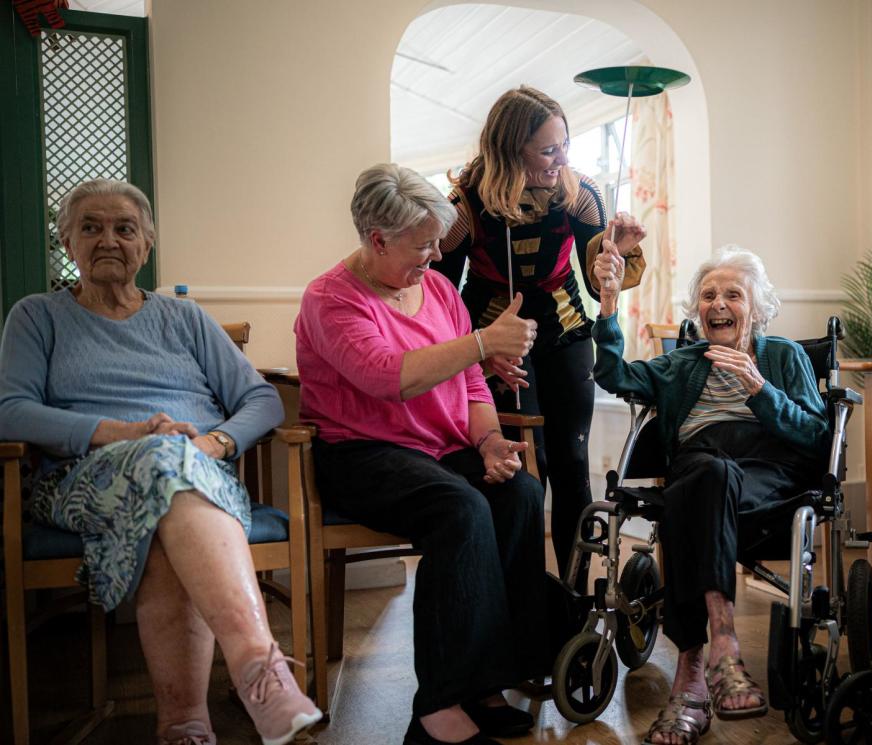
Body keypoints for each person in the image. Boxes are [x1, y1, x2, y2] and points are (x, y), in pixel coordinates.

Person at [0, 178, 321, 745]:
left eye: (124, 228)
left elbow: (262, 399)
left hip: (195, 477)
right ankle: (259, 667)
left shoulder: (185, 319)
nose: (108, 240)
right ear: (66, 241)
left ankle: (185, 728)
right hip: (83, 481)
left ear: (146, 243)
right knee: (161, 461)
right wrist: (122, 432)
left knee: (169, 479)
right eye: (91, 228)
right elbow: (10, 410)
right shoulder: (37, 316)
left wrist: (213, 445)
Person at [294, 163, 547, 745]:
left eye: (438, 241)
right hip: (360, 455)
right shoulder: (330, 299)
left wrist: (488, 443)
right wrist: (482, 343)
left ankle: (489, 680)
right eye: (424, 244)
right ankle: (438, 708)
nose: (436, 256)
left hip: (440, 450)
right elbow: (388, 378)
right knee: (458, 509)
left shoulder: (435, 290)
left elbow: (475, 388)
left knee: (518, 492)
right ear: (377, 239)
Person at [591, 244, 832, 745]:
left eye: (733, 294)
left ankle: (690, 679)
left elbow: (815, 435)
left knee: (698, 494)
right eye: (708, 295)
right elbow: (613, 375)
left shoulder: (784, 356)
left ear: (756, 307)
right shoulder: (682, 362)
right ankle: (721, 639)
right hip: (700, 469)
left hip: (767, 471)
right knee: (706, 478)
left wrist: (760, 389)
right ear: (697, 311)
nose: (718, 303)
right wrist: (610, 305)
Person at [434, 85, 647, 581]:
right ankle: (522, 592)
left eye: (565, 144)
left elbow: (601, 289)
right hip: (496, 344)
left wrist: (617, 259)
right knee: (527, 467)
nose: (562, 158)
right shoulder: (465, 202)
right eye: (549, 149)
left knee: (572, 462)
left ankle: (576, 590)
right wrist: (475, 352)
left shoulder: (580, 192)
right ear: (511, 149)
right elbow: (440, 297)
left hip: (567, 334)